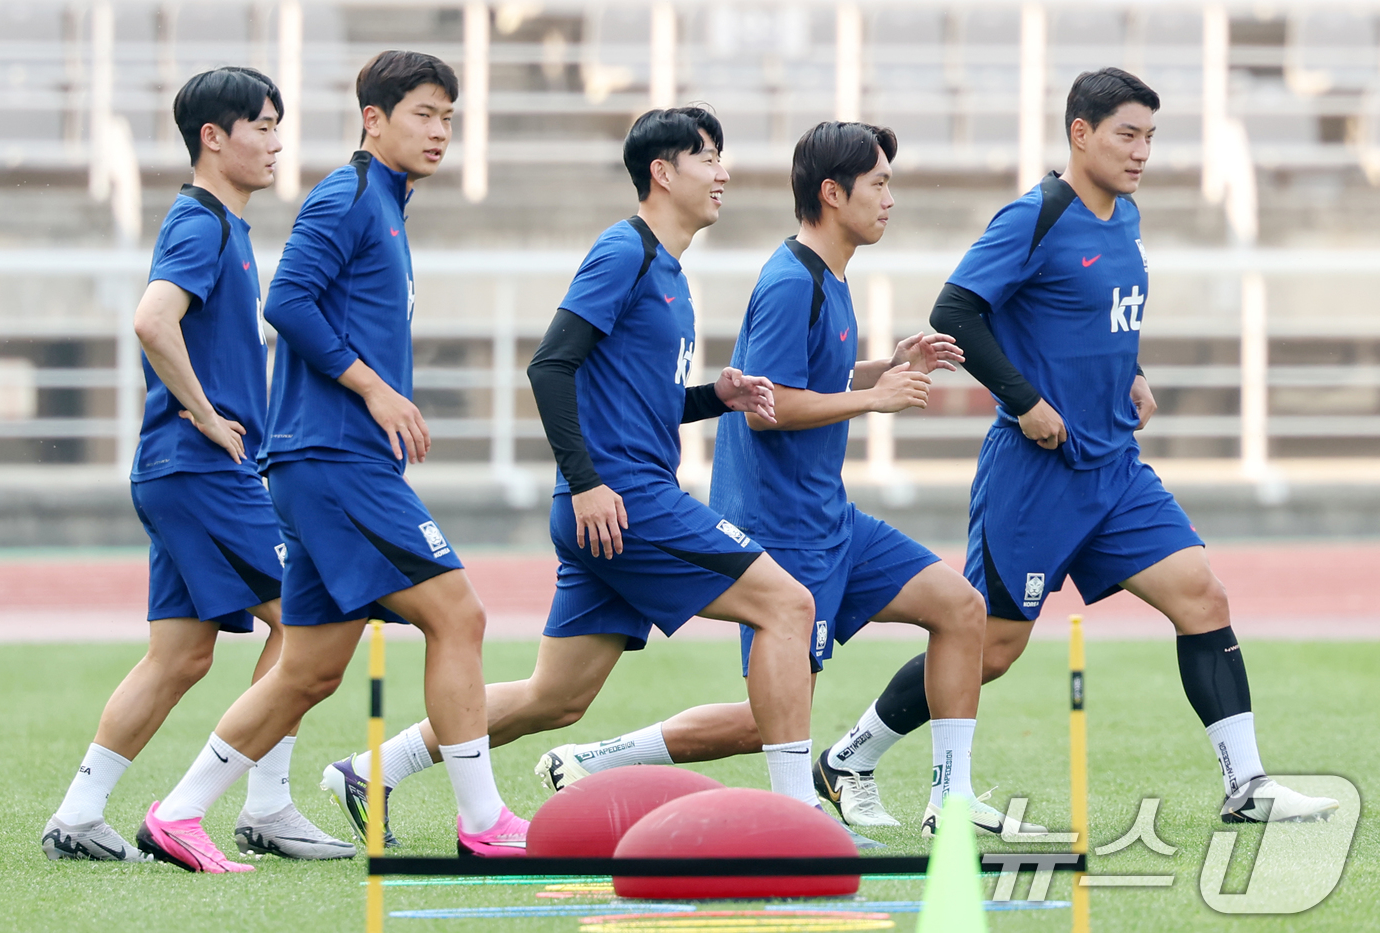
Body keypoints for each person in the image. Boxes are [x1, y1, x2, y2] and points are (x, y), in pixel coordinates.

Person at [324, 106, 837, 844]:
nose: (723, 172)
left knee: (554, 698)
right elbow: (550, 364)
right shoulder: (623, 252)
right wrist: (588, 479)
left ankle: (373, 768)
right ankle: (797, 817)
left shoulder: (669, 272)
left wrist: (713, 397)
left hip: (614, 502)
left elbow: (634, 399)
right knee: (789, 606)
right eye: (708, 157)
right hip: (624, 500)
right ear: (662, 172)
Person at [531, 121, 1032, 838]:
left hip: (832, 517)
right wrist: (875, 398)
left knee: (960, 609)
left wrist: (881, 369)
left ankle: (949, 800)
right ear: (833, 193)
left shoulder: (831, 277)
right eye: (880, 183)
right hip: (780, 523)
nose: (891, 197)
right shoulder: (790, 280)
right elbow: (770, 410)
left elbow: (798, 381)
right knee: (769, 717)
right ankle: (607, 759)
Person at [134, 50, 530, 873]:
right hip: (334, 459)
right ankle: (484, 819)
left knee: (309, 669)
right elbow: (287, 300)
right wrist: (376, 391)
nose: (439, 131)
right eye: (423, 113)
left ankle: (178, 813)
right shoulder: (348, 195)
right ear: (373, 119)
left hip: (330, 464)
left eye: (449, 117)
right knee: (459, 617)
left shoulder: (386, 203)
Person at [924, 67, 1337, 824]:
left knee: (1202, 594)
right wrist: (1025, 403)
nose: (1142, 151)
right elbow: (955, 310)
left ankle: (1247, 784)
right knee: (992, 646)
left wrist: (1134, 372)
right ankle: (856, 751)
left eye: (1150, 136)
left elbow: (1094, 315)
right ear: (1080, 133)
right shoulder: (1035, 215)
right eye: (1128, 134)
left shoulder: (1127, 216)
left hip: (1114, 468)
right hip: (1035, 473)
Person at [41, 67, 351, 864]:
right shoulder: (202, 223)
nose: (278, 140)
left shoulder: (227, 227)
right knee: (309, 621)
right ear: (214, 137)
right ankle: (265, 802)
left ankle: (77, 815)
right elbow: (152, 319)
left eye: (280, 124)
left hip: (176, 471)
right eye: (263, 125)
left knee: (180, 653)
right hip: (200, 468)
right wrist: (211, 415)